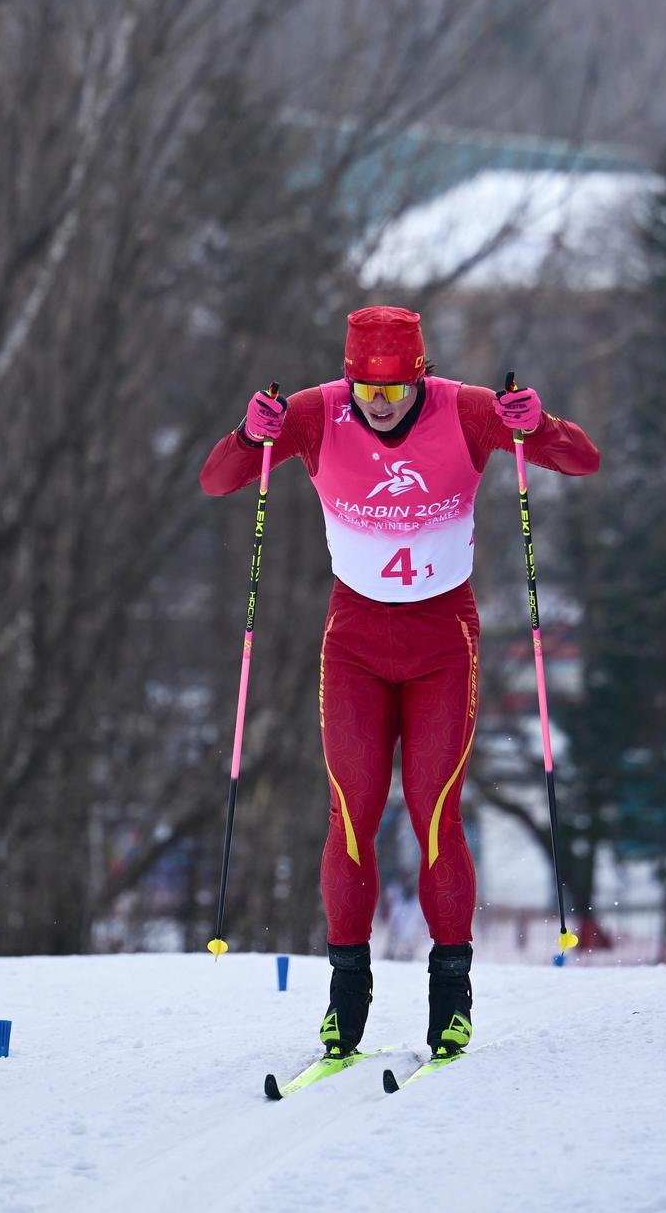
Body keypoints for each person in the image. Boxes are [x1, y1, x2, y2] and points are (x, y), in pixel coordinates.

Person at [199, 304, 600, 1061]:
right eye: (365, 389)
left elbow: (582, 460)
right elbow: (219, 479)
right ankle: (346, 999)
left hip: (444, 640)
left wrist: (538, 425)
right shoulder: (317, 414)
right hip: (353, 641)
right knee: (351, 813)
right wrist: (249, 434)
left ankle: (451, 997)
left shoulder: (468, 410)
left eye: (393, 389)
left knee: (436, 812)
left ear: (420, 375)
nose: (378, 404)